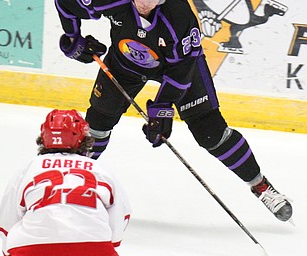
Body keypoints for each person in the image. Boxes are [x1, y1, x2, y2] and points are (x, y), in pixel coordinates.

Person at [54, 0, 292, 222]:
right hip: (125, 64)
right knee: (98, 121)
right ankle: (68, 185)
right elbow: (65, 3)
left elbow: (181, 72)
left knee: (210, 132)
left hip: (177, 69)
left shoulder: (180, 17)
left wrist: (163, 108)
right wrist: (73, 39)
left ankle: (261, 186)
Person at [0, 109, 131, 256]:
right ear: (84, 138)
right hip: (93, 247)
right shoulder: (101, 169)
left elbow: (6, 222)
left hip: (32, 247)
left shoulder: (29, 168)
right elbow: (120, 217)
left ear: (43, 137)